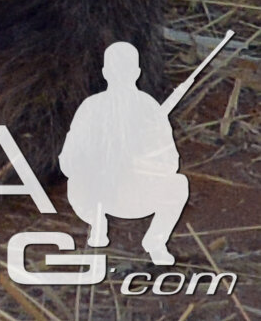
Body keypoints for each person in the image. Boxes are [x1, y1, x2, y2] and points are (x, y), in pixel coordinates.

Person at [61, 40, 192, 265]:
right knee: (77, 182)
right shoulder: (94, 107)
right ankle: (98, 224)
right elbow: (69, 161)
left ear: (105, 72)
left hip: (133, 194)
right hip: (101, 193)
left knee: (178, 184)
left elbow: (170, 161)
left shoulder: (147, 109)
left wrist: (142, 160)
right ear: (137, 72)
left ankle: (155, 241)